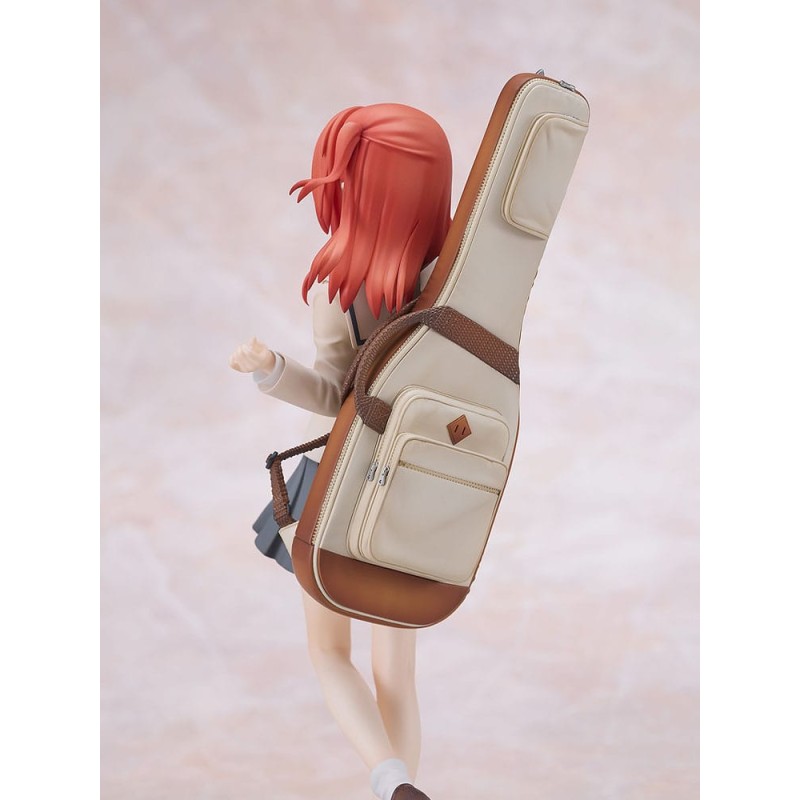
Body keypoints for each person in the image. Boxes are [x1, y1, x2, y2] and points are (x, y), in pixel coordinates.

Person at [229, 102, 452, 800]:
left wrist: (271, 369)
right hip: (414, 488)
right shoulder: (451, 282)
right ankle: (403, 787)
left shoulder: (342, 288)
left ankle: (390, 780)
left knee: (329, 651)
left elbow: (335, 395)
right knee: (397, 673)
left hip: (340, 483)